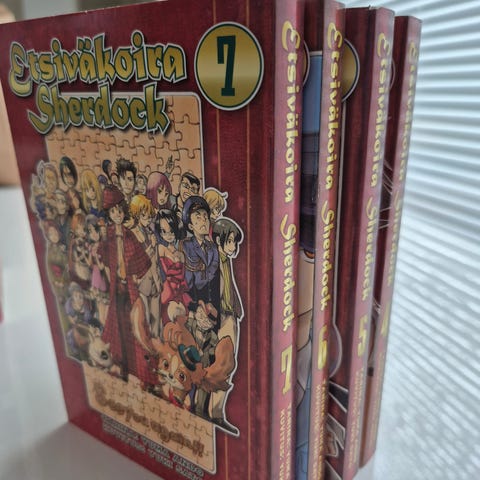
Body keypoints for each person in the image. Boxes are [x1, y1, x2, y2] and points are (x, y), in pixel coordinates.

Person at [98, 185, 155, 386]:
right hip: (116, 291)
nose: (117, 214)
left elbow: (142, 260)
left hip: (130, 291)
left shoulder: (129, 235)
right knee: (118, 328)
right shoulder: (108, 235)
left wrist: (137, 277)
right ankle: (120, 366)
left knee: (135, 329)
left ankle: (139, 371)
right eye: (113, 211)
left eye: (119, 210)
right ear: (109, 214)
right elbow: (102, 256)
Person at [180, 196, 220, 316]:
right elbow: (188, 281)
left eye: (205, 217)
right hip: (194, 302)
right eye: (198, 217)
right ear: (191, 226)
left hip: (213, 302)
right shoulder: (186, 246)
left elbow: (214, 275)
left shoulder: (213, 248)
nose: (204, 221)